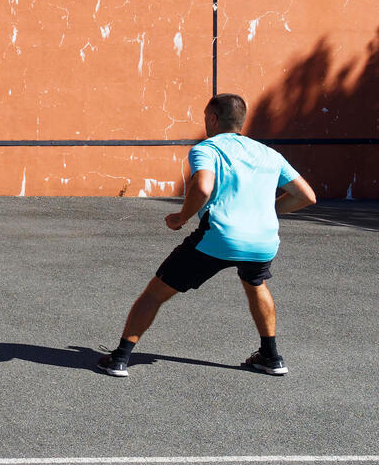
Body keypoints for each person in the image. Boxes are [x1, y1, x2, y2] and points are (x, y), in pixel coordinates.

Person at [98, 92, 316, 378]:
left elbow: (202, 187)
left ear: (212, 118)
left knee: (155, 293)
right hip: (263, 241)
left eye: (205, 118)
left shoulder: (208, 149)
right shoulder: (269, 154)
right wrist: (266, 212)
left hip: (219, 238)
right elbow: (306, 196)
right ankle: (271, 357)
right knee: (256, 283)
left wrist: (181, 217)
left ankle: (119, 358)